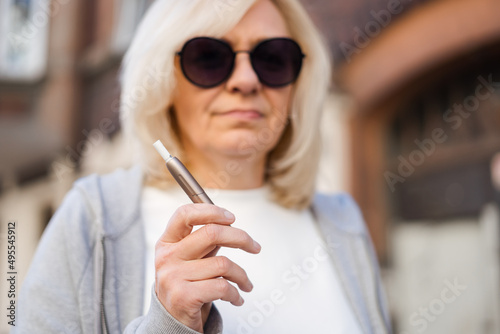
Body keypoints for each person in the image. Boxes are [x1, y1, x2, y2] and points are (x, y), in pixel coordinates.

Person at [15, 0, 391, 333]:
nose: (246, 81)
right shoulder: (94, 218)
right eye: (209, 57)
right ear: (164, 81)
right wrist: (169, 323)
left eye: (272, 58)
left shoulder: (342, 221)